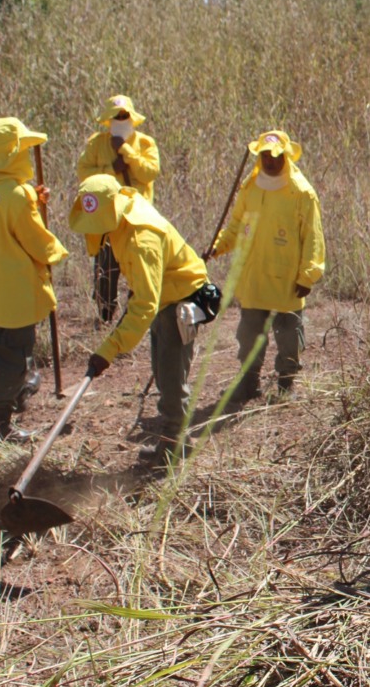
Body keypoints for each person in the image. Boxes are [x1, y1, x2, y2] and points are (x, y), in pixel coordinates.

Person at [69, 174, 211, 467]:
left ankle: (171, 452)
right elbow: (147, 297)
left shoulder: (142, 238)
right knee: (162, 371)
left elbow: (145, 303)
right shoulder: (122, 218)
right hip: (163, 298)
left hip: (182, 300)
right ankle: (178, 444)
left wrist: (109, 350)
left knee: (172, 382)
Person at [206, 130, 325, 402]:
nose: (270, 161)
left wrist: (307, 275)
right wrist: (218, 246)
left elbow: (313, 237)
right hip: (254, 276)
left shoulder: (302, 192)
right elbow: (237, 225)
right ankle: (249, 384)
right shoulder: (251, 186)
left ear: (285, 156)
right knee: (249, 335)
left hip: (287, 279)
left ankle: (286, 385)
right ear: (258, 156)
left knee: (289, 339)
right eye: (264, 155)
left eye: (275, 156)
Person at [0, 118, 69, 440]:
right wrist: (57, 253)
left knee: (0, 356)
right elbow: (37, 243)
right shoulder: (17, 196)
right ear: (11, 154)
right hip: (12, 300)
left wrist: (31, 198)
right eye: (23, 149)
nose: (28, 156)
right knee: (11, 365)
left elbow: (1, 212)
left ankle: (17, 393)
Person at [77, 95, 161, 324]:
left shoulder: (146, 143)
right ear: (108, 119)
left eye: (125, 115)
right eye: (116, 116)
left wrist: (126, 151)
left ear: (132, 117)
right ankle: (104, 318)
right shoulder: (96, 143)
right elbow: (84, 173)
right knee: (105, 272)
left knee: (137, 272)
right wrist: (111, 169)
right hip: (107, 218)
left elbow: (149, 172)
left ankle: (130, 322)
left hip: (137, 218)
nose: (121, 119)